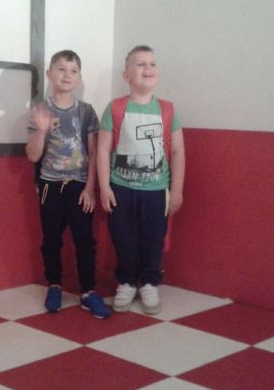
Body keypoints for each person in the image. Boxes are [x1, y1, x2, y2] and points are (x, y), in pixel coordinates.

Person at [97, 45, 186, 314]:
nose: (148, 68)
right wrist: (104, 187)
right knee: (123, 237)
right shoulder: (115, 108)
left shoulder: (167, 110)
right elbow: (103, 150)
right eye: (140, 64)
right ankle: (125, 282)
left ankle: (149, 282)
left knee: (153, 238)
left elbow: (177, 151)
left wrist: (177, 190)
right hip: (120, 188)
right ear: (126, 75)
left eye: (152, 64)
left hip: (157, 190)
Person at [26, 50, 111, 319]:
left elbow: (94, 152)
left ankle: (88, 291)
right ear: (50, 73)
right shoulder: (40, 110)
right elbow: (33, 155)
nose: (67, 75)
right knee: (51, 239)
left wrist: (90, 188)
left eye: (73, 70)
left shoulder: (86, 112)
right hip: (50, 186)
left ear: (79, 78)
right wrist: (42, 130)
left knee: (85, 240)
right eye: (61, 69)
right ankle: (54, 285)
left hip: (79, 185)